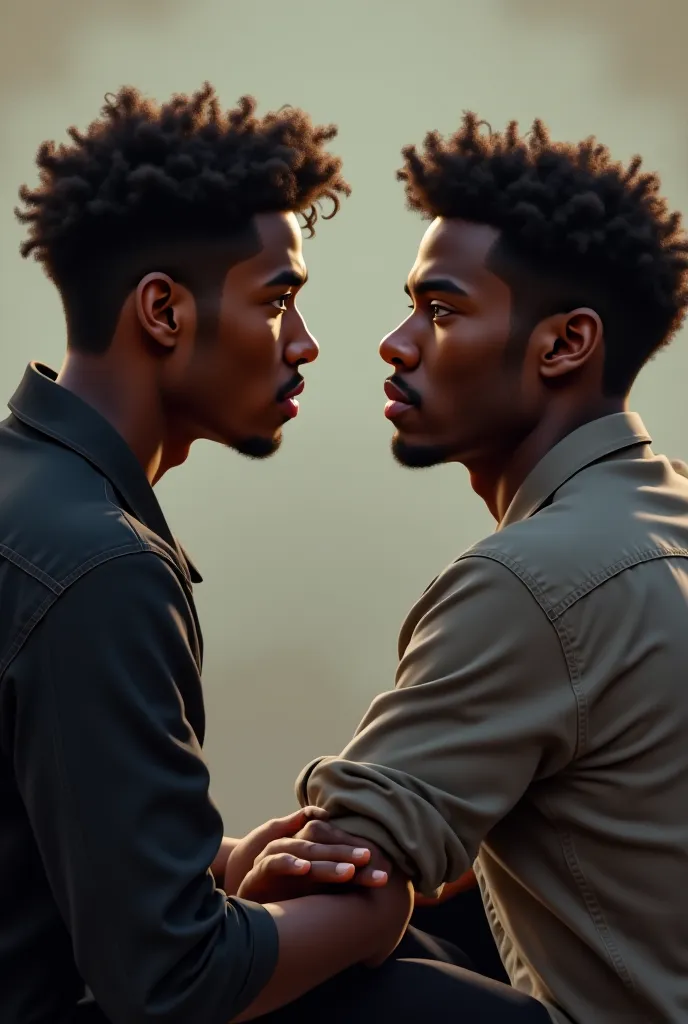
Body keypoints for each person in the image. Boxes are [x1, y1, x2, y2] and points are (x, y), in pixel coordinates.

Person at [0, 84, 481, 1024]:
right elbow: (172, 984)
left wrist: (222, 861)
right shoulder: (102, 569)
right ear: (164, 312)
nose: (303, 344)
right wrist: (373, 910)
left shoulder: (31, 500)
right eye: (278, 300)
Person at [296, 113, 688, 1022]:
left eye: (441, 312)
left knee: (272, 964)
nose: (396, 344)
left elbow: (341, 865)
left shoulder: (531, 582)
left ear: (563, 345)